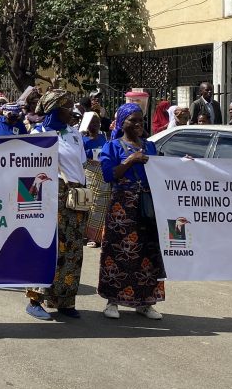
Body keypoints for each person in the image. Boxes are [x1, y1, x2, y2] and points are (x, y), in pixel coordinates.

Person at [98, 103, 165, 320]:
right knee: (119, 252)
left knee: (148, 253)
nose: (138, 124)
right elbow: (109, 175)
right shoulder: (112, 146)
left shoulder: (150, 146)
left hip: (148, 205)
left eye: (140, 120)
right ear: (122, 123)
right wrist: (130, 160)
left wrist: (183, 163)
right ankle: (113, 301)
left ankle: (145, 302)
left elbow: (163, 170)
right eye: (132, 120)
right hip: (122, 207)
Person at [25, 90, 88, 320]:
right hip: (50, 197)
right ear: (53, 109)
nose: (71, 110)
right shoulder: (39, 134)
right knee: (47, 247)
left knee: (73, 249)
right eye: (66, 106)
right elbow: (28, 170)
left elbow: (81, 164)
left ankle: (64, 300)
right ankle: (35, 300)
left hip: (75, 197)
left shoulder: (74, 133)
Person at [80, 110, 110, 248]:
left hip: (103, 176)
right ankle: (90, 237)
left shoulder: (104, 137)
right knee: (91, 205)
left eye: (97, 122)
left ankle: (101, 236)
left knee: (102, 206)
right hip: (90, 175)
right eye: (92, 122)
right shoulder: (82, 140)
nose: (95, 125)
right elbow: (81, 158)